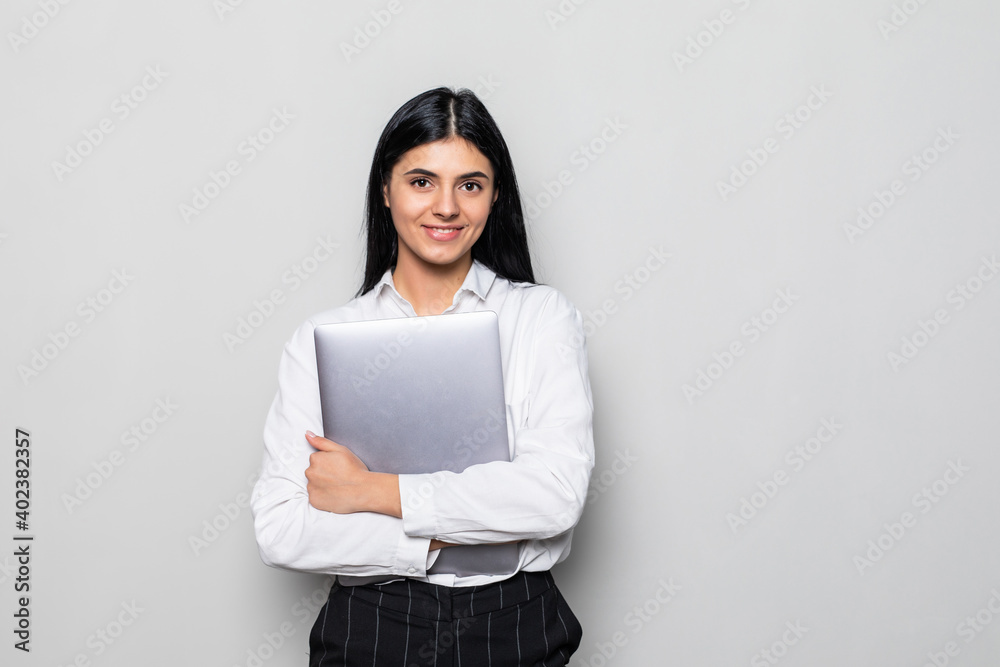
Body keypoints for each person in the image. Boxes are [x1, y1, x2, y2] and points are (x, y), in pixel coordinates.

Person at [251, 86, 594, 666]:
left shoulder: (541, 318)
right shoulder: (322, 339)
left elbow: (555, 497)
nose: (446, 207)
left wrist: (373, 492)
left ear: (493, 197)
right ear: (385, 189)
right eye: (421, 181)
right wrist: (455, 536)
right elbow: (281, 529)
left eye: (470, 184)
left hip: (514, 623)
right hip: (374, 624)